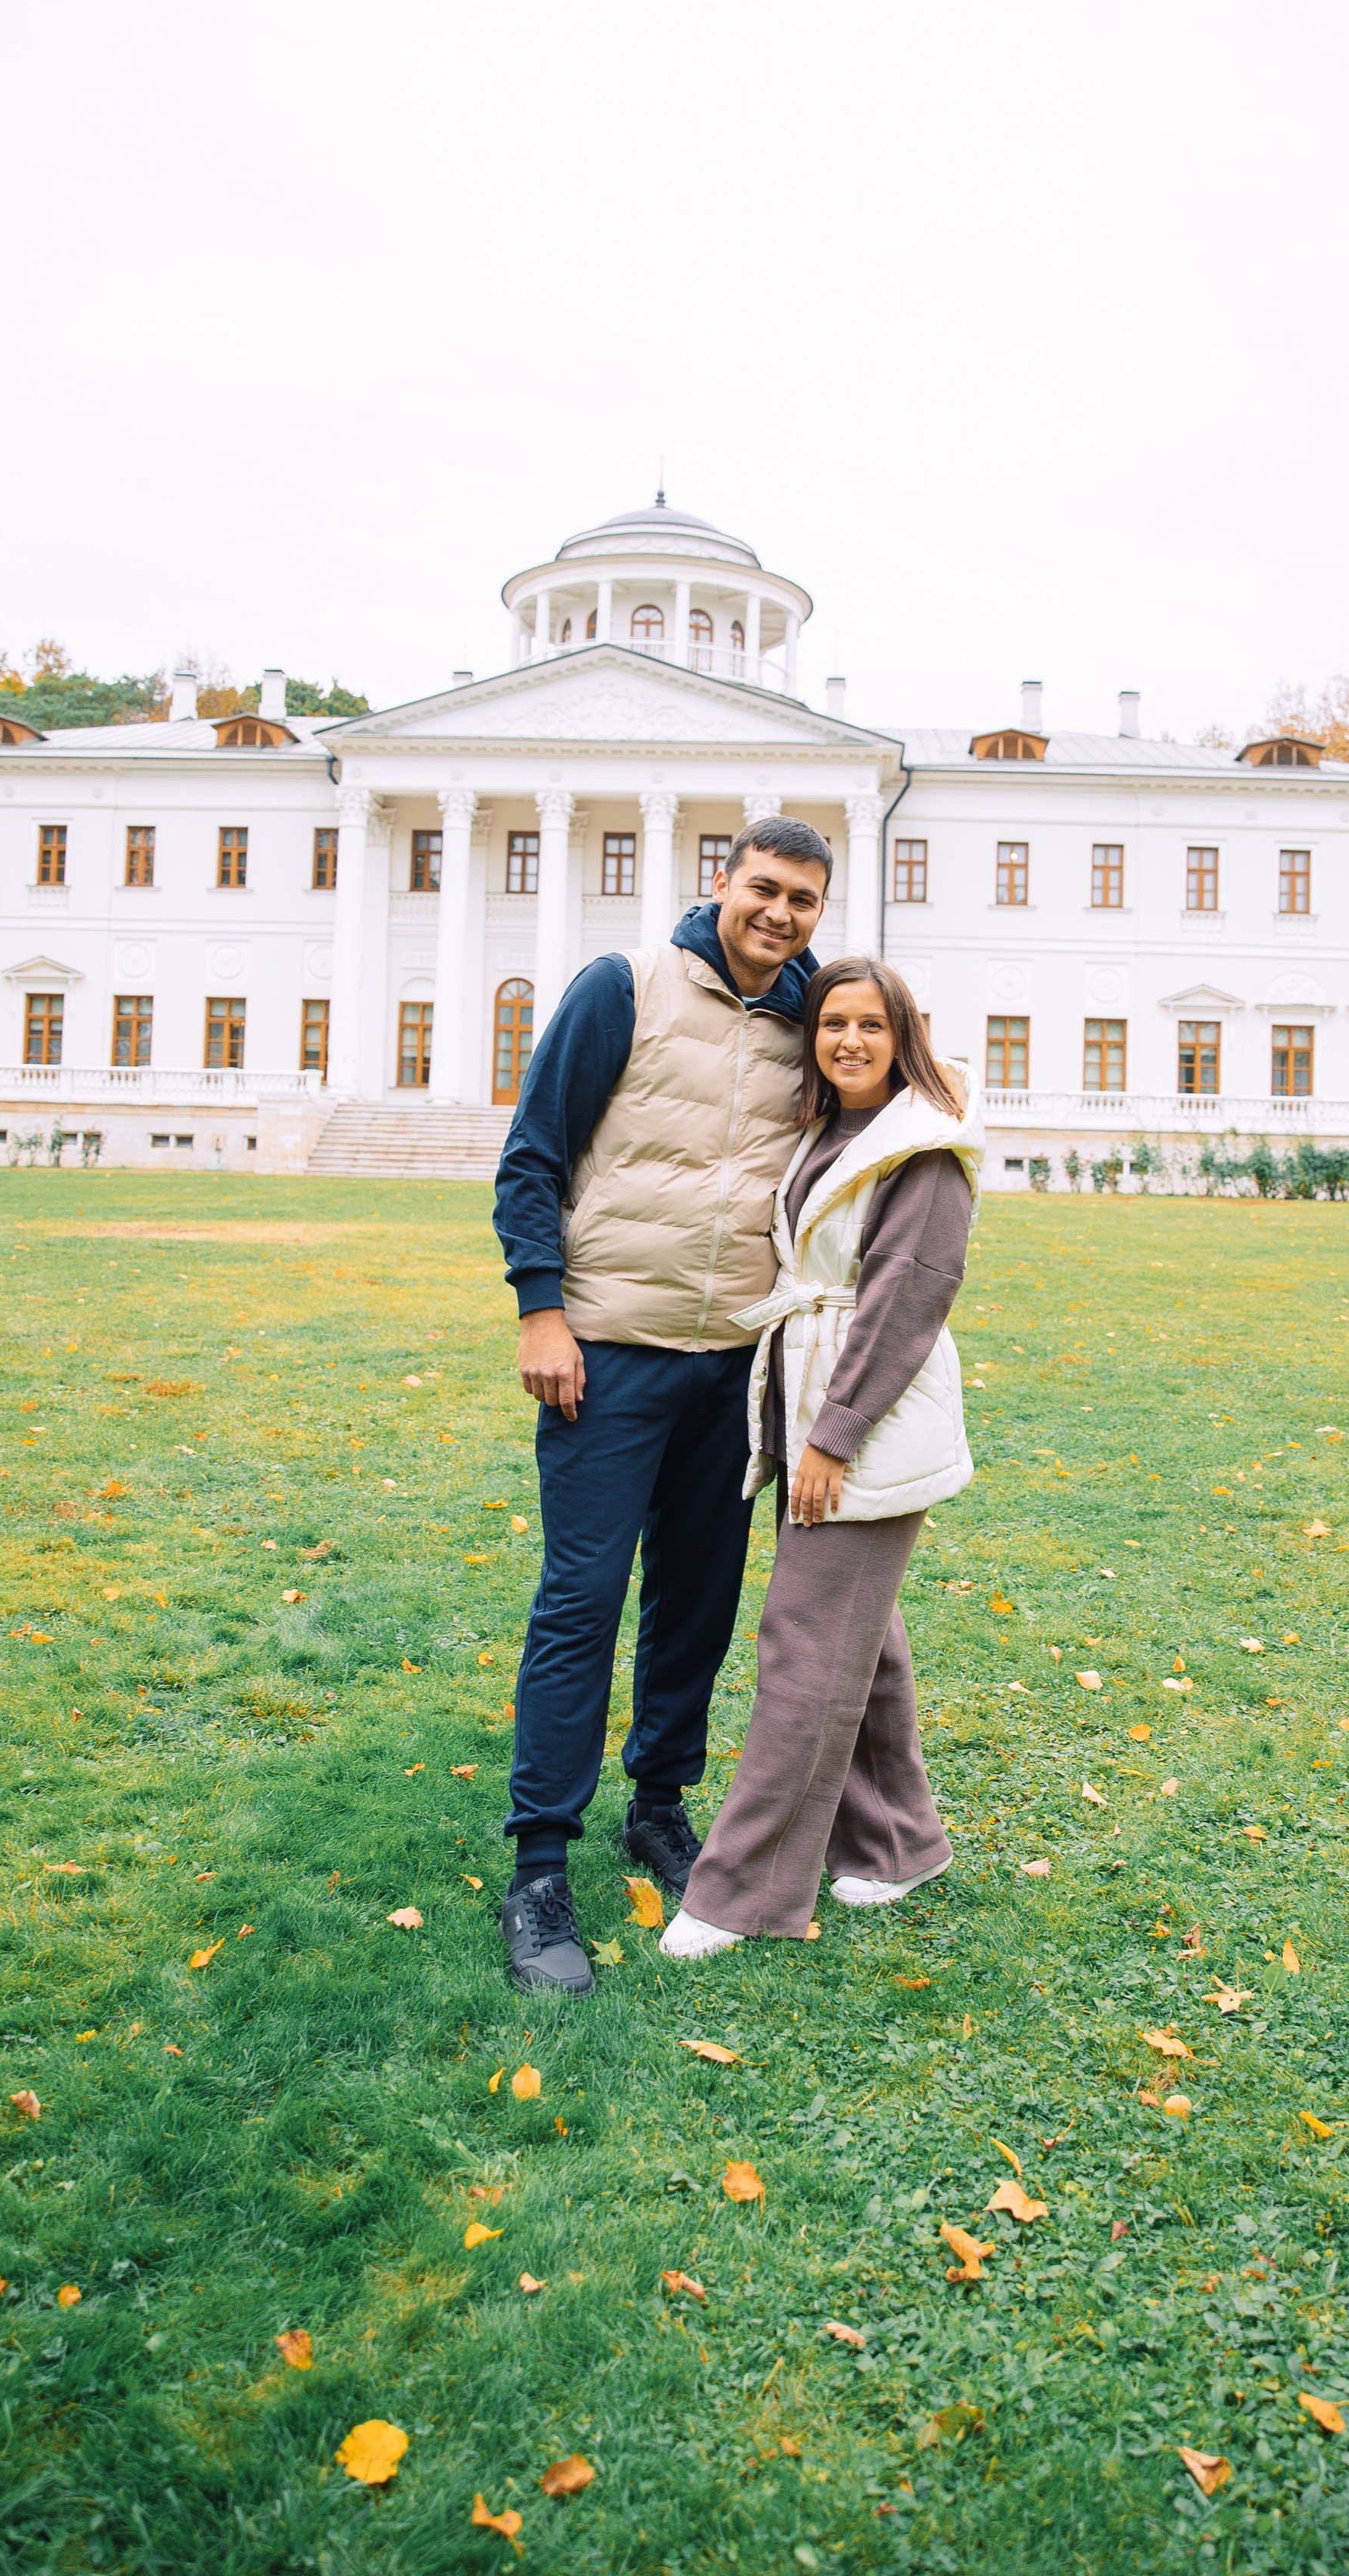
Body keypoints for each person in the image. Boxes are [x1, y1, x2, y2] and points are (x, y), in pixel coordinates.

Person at [489, 817, 833, 1996]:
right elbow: (534, 1154)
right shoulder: (622, 987)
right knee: (581, 1604)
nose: (778, 913)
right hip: (608, 1354)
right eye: (764, 888)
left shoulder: (811, 1019)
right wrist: (542, 1310)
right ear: (722, 882)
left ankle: (659, 1805)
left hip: (733, 1365)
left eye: (802, 900)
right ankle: (540, 1867)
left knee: (697, 1601)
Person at [660, 956, 982, 1956]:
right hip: (809, 1397)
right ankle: (899, 1843)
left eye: (871, 1025)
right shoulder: (831, 1131)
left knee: (805, 1645)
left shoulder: (922, 1148)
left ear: (903, 1037)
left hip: (863, 1418)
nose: (849, 1040)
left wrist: (832, 1438)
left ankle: (742, 1894)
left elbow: (907, 1300)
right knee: (859, 1639)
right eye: (833, 1022)